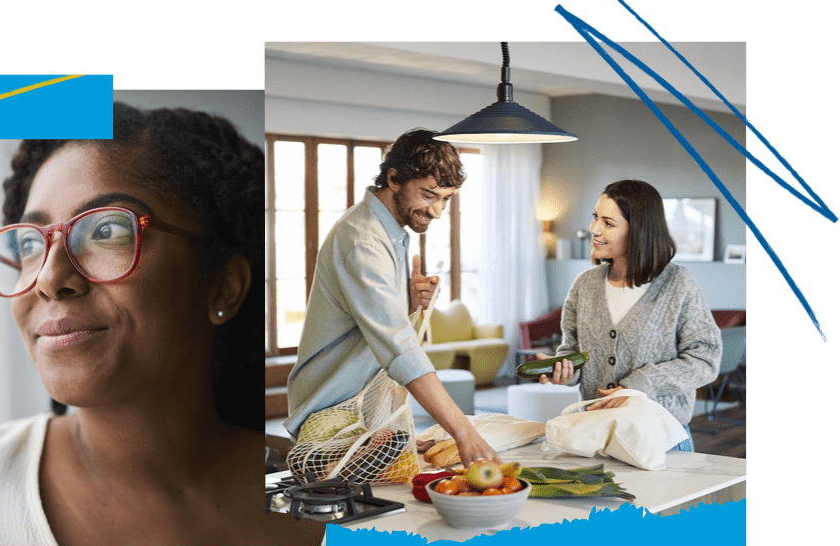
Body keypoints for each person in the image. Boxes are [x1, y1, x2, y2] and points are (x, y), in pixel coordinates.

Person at [0, 102, 324, 546]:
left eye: (106, 232)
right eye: (30, 243)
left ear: (223, 286)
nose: (48, 278)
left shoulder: (326, 496)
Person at [284, 128, 501, 467]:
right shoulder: (363, 240)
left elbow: (374, 320)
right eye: (429, 195)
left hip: (365, 410)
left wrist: (409, 302)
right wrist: (464, 432)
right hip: (332, 412)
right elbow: (400, 348)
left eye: (446, 199)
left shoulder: (390, 229)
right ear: (395, 178)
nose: (438, 211)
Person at [538, 179, 722, 452]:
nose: (595, 230)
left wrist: (641, 384)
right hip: (596, 437)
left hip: (661, 440)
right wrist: (564, 370)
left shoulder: (678, 284)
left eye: (608, 223)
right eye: (595, 217)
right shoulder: (584, 285)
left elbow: (705, 360)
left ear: (639, 231)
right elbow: (575, 350)